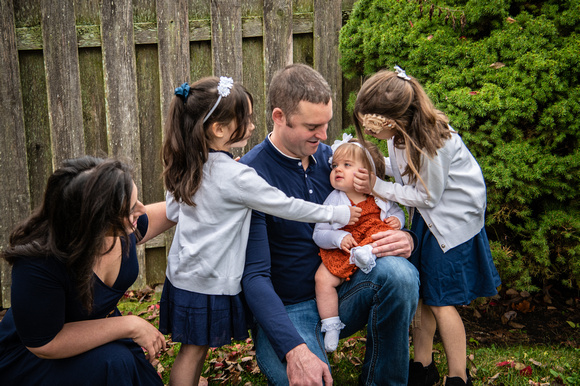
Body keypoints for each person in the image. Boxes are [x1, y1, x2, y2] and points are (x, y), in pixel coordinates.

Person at [158, 76, 360, 386]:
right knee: (194, 351)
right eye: (246, 119)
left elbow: (174, 211)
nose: (252, 126)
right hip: (210, 280)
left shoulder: (190, 164)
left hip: (183, 274)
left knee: (192, 350)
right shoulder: (238, 175)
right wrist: (336, 212)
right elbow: (286, 206)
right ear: (219, 129)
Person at [240, 63, 420, 385]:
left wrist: (405, 236)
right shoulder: (251, 176)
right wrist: (293, 349)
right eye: (313, 127)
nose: (324, 137)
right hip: (288, 309)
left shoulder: (335, 161)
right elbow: (253, 277)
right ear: (279, 117)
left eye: (326, 124)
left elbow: (381, 203)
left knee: (401, 276)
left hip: (344, 291)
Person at [352, 66, 502, 386]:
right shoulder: (400, 135)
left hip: (450, 227)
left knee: (440, 299)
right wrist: (371, 165)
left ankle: (458, 377)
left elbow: (426, 196)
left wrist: (379, 186)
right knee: (422, 294)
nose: (367, 127)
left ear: (391, 119)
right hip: (428, 220)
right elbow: (403, 170)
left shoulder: (435, 142)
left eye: (370, 122)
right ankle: (421, 366)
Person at [0, 156, 176, 385]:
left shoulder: (121, 229)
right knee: (116, 364)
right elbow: (44, 344)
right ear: (95, 221)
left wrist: (203, 193)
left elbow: (168, 213)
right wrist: (128, 325)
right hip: (36, 357)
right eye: (131, 208)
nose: (141, 210)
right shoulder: (37, 264)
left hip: (99, 337)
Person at [313, 135, 407, 352]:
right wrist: (338, 239)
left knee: (381, 233)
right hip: (346, 249)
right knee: (322, 279)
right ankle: (331, 324)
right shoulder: (335, 199)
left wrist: (398, 220)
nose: (337, 170)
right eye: (335, 165)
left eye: (347, 165)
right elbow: (319, 233)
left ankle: (368, 252)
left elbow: (396, 213)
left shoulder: (380, 197)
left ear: (369, 174)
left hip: (371, 245)